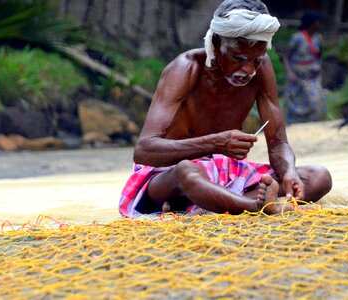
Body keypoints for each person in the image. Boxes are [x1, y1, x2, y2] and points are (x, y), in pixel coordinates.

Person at [119, 0, 332, 217]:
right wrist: (216, 143)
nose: (248, 69)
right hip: (169, 176)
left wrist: (288, 172)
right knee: (187, 171)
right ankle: (253, 207)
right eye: (239, 58)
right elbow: (144, 151)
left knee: (318, 176)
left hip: (226, 176)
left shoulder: (262, 69)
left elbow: (278, 142)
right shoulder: (186, 68)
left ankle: (225, 204)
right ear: (217, 43)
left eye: (255, 60)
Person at [282, 11, 327, 124]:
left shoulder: (318, 38)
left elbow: (320, 56)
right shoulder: (297, 38)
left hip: (313, 75)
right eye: (318, 22)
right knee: (295, 101)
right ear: (311, 23)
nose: (320, 25)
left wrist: (318, 67)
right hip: (297, 74)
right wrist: (289, 72)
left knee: (316, 99)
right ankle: (294, 124)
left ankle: (313, 123)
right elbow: (286, 56)